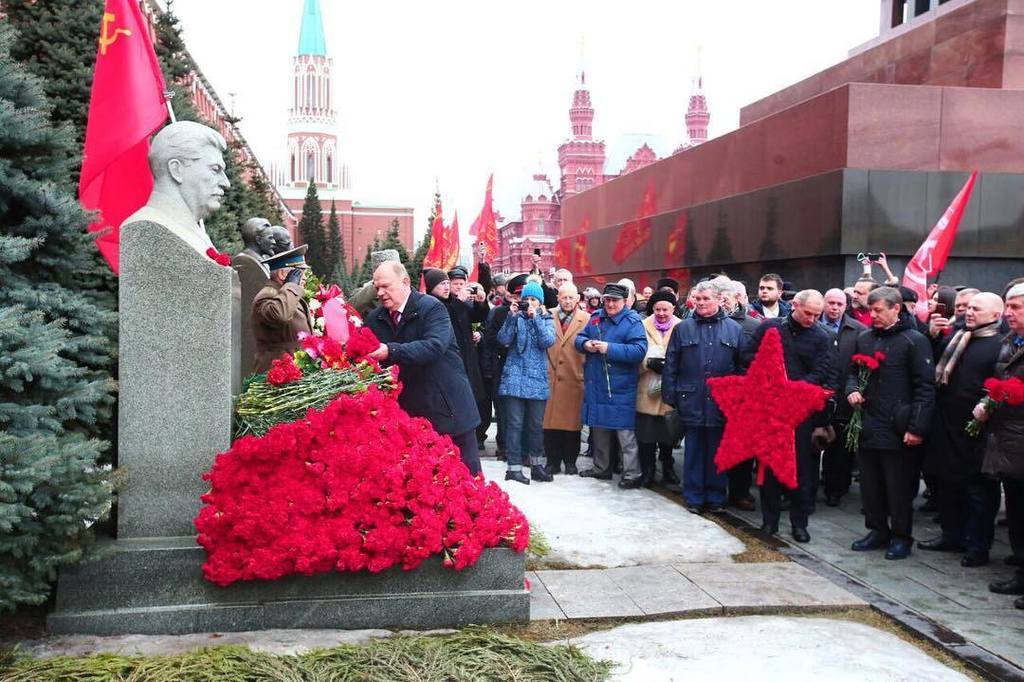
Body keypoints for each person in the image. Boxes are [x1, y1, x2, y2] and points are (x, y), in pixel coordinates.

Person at [366, 262, 482, 474]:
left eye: (385, 286)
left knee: (467, 485)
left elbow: (434, 346)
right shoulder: (376, 318)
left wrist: (391, 351)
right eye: (376, 288)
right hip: (411, 418)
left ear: (405, 282)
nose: (380, 293)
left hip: (449, 410)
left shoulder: (431, 307)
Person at [847, 287, 935, 560]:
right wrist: (851, 389)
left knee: (898, 489)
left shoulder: (914, 340)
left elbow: (925, 387)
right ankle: (877, 530)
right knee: (871, 487)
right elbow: (851, 371)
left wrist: (916, 427)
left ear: (896, 309)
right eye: (870, 310)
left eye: (878, 310)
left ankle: (901, 536)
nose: (872, 315)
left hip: (899, 427)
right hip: (868, 424)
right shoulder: (865, 338)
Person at [919, 293, 1004, 566]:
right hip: (945, 426)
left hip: (977, 433)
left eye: (976, 309)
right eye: (967, 308)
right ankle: (951, 535)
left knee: (977, 494)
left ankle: (977, 546)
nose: (969, 312)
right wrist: (931, 336)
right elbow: (931, 366)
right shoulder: (955, 337)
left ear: (994, 315)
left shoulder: (998, 345)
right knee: (946, 486)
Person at [745, 290, 832, 541]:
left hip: (799, 411)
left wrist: (796, 390)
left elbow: (822, 371)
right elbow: (748, 356)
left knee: (801, 469)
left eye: (818, 315)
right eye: (808, 313)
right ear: (795, 306)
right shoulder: (770, 328)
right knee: (770, 469)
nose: (812, 319)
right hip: (770, 409)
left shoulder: (821, 337)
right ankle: (769, 522)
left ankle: (799, 523)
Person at [662, 280, 744, 512]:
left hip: (721, 403)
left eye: (706, 298)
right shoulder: (683, 328)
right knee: (694, 452)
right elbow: (671, 364)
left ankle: (716, 498)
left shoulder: (735, 330)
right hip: (691, 401)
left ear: (719, 300)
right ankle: (695, 498)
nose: (701, 303)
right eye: (698, 299)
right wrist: (671, 397)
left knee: (718, 452)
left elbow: (742, 368)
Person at [977, 283, 1024, 608]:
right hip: (1009, 440)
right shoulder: (1010, 343)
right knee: (1018, 511)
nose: (1010, 313)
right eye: (1008, 306)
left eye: (1017, 307)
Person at [575, 283, 648, 488]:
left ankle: (632, 474)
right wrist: (585, 344)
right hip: (597, 383)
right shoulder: (597, 317)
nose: (610, 304)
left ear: (625, 302)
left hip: (620, 386)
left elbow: (639, 350)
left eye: (614, 300)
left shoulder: (632, 320)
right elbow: (580, 338)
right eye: (607, 300)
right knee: (599, 429)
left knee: (625, 433)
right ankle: (601, 468)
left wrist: (609, 348)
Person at [123, 121, 230, 257]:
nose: (226, 183)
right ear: (176, 169)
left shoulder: (194, 232)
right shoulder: (148, 227)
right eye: (215, 169)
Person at [423, 268, 491, 450]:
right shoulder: (431, 304)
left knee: (477, 399)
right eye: (442, 284)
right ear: (431, 287)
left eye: (447, 283)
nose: (446, 287)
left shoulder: (454, 302)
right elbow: (449, 318)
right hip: (449, 363)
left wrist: (480, 303)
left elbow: (478, 316)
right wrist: (460, 301)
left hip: (468, 358)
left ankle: (476, 436)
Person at [496, 281, 556, 484]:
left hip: (537, 379)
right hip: (514, 377)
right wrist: (512, 317)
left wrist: (535, 318)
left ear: (540, 302)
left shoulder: (546, 319)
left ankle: (537, 466)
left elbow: (547, 341)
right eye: (526, 299)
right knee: (514, 424)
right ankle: (513, 468)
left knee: (536, 426)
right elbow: (503, 339)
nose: (529, 303)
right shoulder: (515, 317)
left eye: (533, 300)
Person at [819, 288, 867, 507]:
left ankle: (835, 489)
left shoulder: (858, 330)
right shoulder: (814, 324)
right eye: (831, 303)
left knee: (840, 449)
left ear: (846, 306)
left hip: (844, 397)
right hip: (817, 394)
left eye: (839, 304)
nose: (835, 308)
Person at [636, 291, 683, 488]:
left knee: (667, 433)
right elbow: (635, 351)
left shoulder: (681, 326)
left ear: (673, 309)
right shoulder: (642, 325)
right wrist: (647, 363)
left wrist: (671, 366)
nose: (661, 313)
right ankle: (647, 469)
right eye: (657, 309)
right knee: (646, 434)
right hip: (646, 385)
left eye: (665, 309)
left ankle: (667, 467)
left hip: (669, 387)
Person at [542, 283, 590, 476]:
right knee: (550, 425)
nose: (567, 301)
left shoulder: (587, 319)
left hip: (574, 378)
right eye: (564, 297)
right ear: (558, 298)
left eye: (571, 297)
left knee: (572, 426)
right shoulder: (547, 315)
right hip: (551, 378)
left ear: (577, 299)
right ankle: (552, 461)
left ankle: (570, 461)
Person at [251, 246, 313, 373]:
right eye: (300, 273)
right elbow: (281, 315)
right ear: (283, 274)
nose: (305, 278)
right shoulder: (268, 294)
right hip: (276, 372)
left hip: (291, 370)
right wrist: (291, 285)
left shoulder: (285, 294)